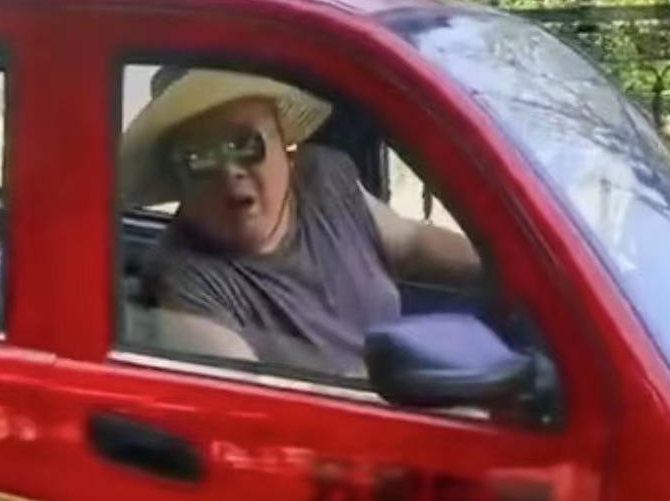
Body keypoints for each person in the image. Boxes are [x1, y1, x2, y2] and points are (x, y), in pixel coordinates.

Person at [121, 69, 482, 377]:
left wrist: (503, 265)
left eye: (245, 144)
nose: (229, 172)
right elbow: (250, 403)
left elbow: (410, 241)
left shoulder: (324, 178)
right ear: (178, 182)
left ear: (285, 147)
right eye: (198, 158)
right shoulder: (182, 282)